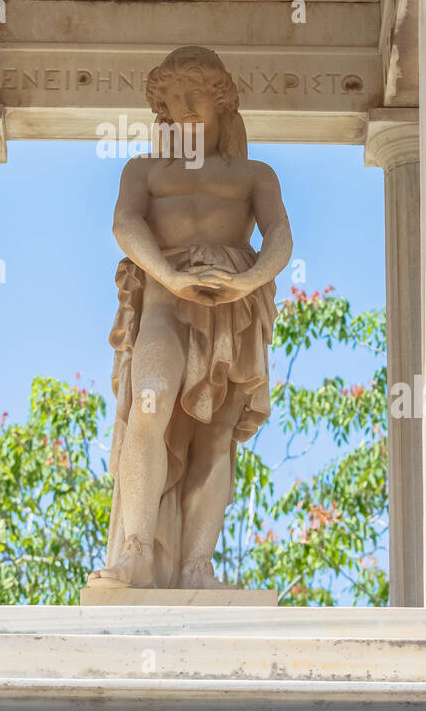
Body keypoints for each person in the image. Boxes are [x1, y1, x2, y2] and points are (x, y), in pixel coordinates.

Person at [88, 46, 293, 591]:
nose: (182, 108)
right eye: (171, 99)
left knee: (216, 437)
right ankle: (135, 549)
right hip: (164, 301)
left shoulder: (254, 173)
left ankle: (197, 564)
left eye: (193, 94)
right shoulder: (145, 170)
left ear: (221, 98)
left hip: (235, 312)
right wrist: (169, 276)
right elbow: (125, 225)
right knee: (149, 402)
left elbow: (279, 236)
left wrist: (248, 281)